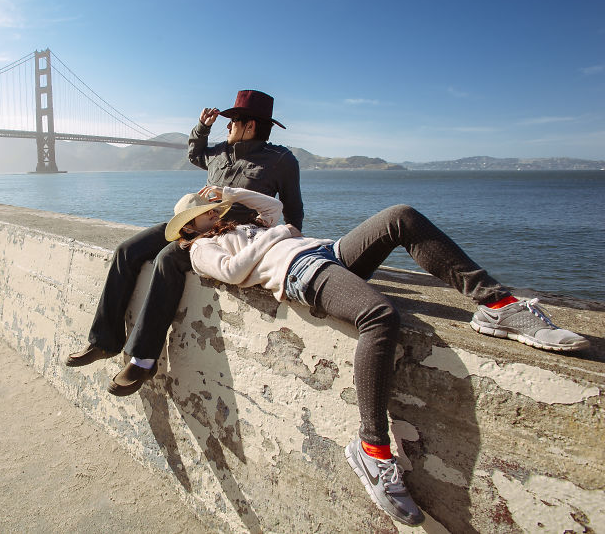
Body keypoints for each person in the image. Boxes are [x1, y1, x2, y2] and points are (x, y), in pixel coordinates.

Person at [166, 185, 589, 526]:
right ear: (187, 228)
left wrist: (232, 193)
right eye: (203, 213)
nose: (213, 213)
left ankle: (497, 306)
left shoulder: (239, 220)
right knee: (380, 317)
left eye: (211, 208)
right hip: (301, 273)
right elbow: (236, 271)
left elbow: (275, 206)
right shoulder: (201, 251)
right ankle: (373, 448)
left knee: (400, 215)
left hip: (328, 252)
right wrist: (277, 235)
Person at [65, 90, 304, 397]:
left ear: (250, 126)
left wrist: (288, 248)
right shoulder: (221, 151)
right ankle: (104, 341)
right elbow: (195, 154)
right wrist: (201, 128)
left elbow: (293, 210)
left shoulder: (281, 160)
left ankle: (143, 359)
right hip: (193, 218)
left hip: (225, 233)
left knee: (167, 258)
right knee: (127, 250)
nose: (227, 127)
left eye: (232, 122)